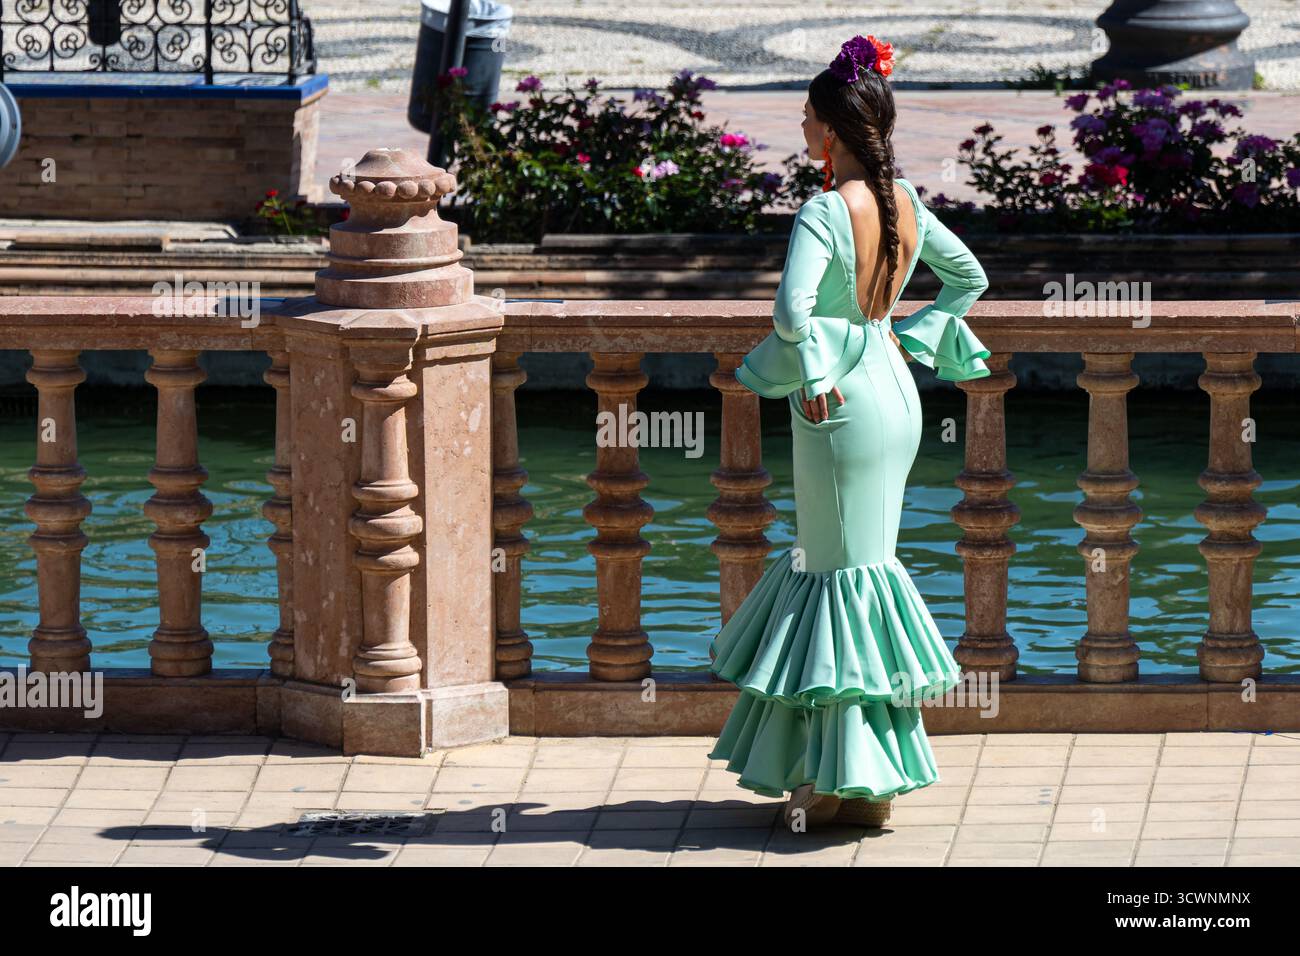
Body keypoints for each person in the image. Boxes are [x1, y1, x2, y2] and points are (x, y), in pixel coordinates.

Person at [707, 34, 992, 829]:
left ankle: (829, 784)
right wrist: (924, 329)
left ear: (831, 133)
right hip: (894, 393)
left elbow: (790, 313)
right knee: (865, 574)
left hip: (836, 407)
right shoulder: (905, 203)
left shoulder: (828, 209)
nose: (803, 133)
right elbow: (971, 276)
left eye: (806, 121)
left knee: (834, 578)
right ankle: (870, 785)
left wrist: (821, 377)